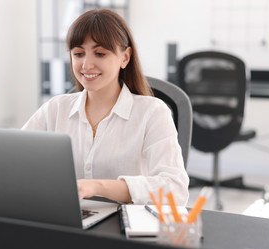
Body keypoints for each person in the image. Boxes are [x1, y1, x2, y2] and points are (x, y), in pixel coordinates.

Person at [22, 8, 189, 206]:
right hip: (68, 223)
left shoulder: (152, 112)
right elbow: (15, 161)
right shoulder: (55, 109)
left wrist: (97, 187)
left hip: (125, 230)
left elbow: (175, 189)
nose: (86, 65)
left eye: (100, 53)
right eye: (78, 54)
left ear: (125, 57)